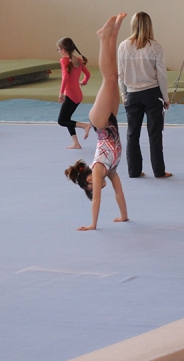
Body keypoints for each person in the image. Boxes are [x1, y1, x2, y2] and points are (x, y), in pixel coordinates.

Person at [64, 14, 129, 231]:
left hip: (100, 122)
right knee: (114, 76)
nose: (97, 188)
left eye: (92, 187)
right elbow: (119, 193)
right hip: (110, 120)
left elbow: (96, 200)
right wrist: (123, 217)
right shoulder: (111, 170)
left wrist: (93, 224)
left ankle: (103, 37)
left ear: (88, 179)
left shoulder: (99, 168)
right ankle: (114, 34)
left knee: (109, 78)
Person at [118, 12, 172, 179]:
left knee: (132, 133)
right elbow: (161, 75)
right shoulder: (155, 47)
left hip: (132, 94)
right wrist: (166, 97)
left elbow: (120, 73)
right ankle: (158, 171)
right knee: (154, 134)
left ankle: (134, 171)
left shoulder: (123, 46)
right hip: (152, 93)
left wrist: (124, 94)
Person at [56, 37, 91, 149]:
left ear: (64, 49)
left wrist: (61, 93)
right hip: (78, 95)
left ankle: (85, 125)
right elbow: (88, 74)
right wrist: (84, 82)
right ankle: (76, 143)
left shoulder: (64, 60)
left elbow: (65, 77)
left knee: (61, 121)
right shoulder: (79, 61)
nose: (59, 52)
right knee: (67, 119)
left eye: (59, 49)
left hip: (70, 94)